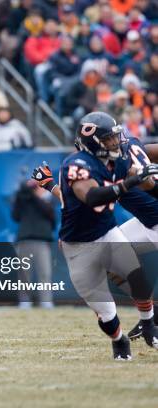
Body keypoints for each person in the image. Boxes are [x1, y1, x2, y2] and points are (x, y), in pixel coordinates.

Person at [33, 112, 158, 360]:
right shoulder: (85, 165)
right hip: (139, 223)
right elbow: (86, 198)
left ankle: (150, 323)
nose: (117, 142)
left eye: (115, 137)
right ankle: (133, 325)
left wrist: (144, 181)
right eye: (110, 139)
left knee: (132, 273)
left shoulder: (120, 157)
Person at [11, 179, 56, 309]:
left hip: (42, 242)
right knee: (24, 274)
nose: (36, 189)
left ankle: (46, 301)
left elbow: (49, 213)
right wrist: (21, 195)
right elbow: (15, 216)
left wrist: (32, 194)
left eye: (38, 187)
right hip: (25, 241)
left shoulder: (47, 201)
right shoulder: (24, 200)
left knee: (44, 273)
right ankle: (25, 301)